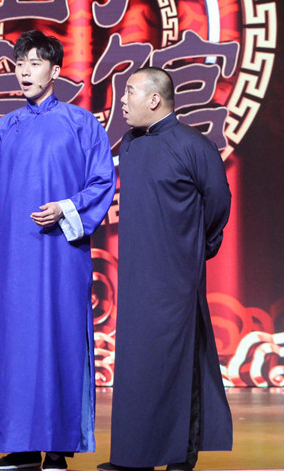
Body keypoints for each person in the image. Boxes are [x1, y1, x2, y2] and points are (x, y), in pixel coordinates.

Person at [0, 30, 116, 471]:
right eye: (19, 63)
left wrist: (65, 207)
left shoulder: (82, 124)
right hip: (18, 257)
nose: (24, 71)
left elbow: (102, 183)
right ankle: (20, 447)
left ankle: (57, 450)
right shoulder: (3, 128)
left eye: (35, 63)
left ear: (54, 71)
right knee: (18, 348)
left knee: (61, 343)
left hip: (62, 256)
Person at [100, 67, 233, 471]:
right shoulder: (131, 144)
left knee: (177, 361)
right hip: (136, 273)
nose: (122, 101)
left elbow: (218, 201)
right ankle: (135, 455)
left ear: (155, 99)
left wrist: (197, 246)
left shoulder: (192, 145)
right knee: (138, 364)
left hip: (176, 276)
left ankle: (180, 455)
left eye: (129, 92)